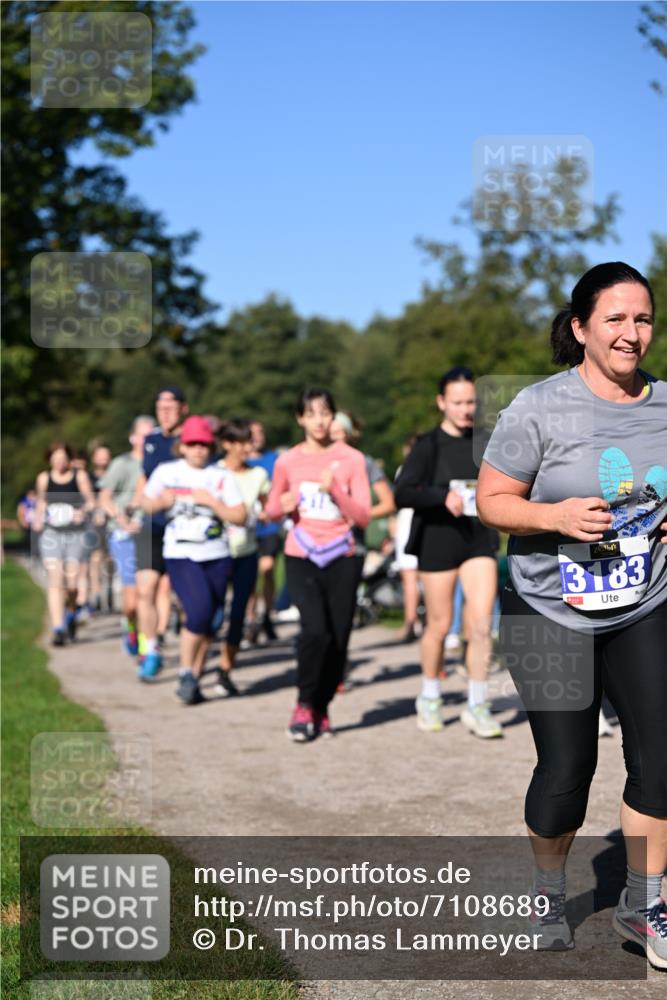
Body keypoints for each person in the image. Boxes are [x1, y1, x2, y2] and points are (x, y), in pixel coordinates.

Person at [477, 262, 667, 963]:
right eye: (614, 319)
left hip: (644, 600)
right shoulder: (536, 407)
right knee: (566, 772)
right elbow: (490, 501)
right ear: (581, 327)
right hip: (545, 606)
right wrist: (552, 514)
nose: (630, 332)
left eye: (642, 318)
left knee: (660, 757)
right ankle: (547, 888)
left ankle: (642, 905)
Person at [394, 367, 503, 738]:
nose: (465, 409)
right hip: (437, 541)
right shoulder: (428, 445)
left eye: (471, 401)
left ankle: (477, 704)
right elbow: (402, 492)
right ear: (442, 402)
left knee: (481, 622)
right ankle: (429, 695)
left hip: (477, 541)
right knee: (439, 626)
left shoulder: (487, 442)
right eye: (457, 402)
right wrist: (441, 497)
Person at [265, 388, 371, 741]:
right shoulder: (287, 461)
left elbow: (364, 516)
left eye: (325, 413)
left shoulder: (352, 459)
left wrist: (336, 492)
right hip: (302, 553)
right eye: (311, 414)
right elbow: (269, 510)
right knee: (314, 631)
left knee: (338, 638)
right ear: (300, 419)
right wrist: (285, 503)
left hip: (342, 555)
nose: (320, 421)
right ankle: (304, 704)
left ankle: (322, 706)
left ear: (333, 416)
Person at [142, 415, 246, 704]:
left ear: (210, 447)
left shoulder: (221, 476)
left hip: (218, 555)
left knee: (211, 622)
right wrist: (160, 503)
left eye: (203, 444)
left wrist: (213, 502)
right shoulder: (167, 472)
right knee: (198, 612)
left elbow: (240, 515)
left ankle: (194, 679)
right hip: (181, 553)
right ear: (182, 446)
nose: (198, 449)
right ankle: (186, 672)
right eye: (192, 444)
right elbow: (145, 501)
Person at [134, 385, 188, 679]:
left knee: (182, 595)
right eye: (160, 407)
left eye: (170, 406)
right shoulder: (151, 440)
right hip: (152, 526)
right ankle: (151, 651)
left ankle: (189, 657)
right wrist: (143, 505)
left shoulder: (193, 440)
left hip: (184, 528)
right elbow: (144, 480)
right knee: (146, 590)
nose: (165, 412)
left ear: (184, 408)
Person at [215, 419, 271, 694]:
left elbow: (268, 506)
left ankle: (225, 670)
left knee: (238, 613)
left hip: (246, 552)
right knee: (212, 615)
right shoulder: (212, 473)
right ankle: (198, 665)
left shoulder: (258, 475)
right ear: (227, 444)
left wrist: (266, 513)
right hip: (214, 553)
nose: (247, 447)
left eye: (249, 441)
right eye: (241, 442)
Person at [98, 416, 156, 656]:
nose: (146, 440)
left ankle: (148, 646)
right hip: (124, 534)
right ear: (133, 437)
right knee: (132, 600)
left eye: (151, 435)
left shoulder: (161, 464)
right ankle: (129, 624)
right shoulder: (122, 464)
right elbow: (104, 497)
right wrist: (122, 519)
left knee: (151, 592)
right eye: (143, 435)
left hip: (153, 533)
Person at [33, 443, 95, 645]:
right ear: (49, 459)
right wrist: (38, 517)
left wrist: (82, 512)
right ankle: (58, 628)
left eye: (62, 457)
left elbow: (91, 501)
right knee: (55, 580)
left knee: (72, 585)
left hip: (75, 534)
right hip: (51, 533)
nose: (59, 461)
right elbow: (42, 502)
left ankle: (71, 614)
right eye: (55, 457)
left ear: (69, 458)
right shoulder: (44, 478)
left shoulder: (79, 476)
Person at [246, 420, 282, 641]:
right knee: (249, 577)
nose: (257, 437)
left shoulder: (274, 460)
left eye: (261, 432)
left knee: (267, 570)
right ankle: (250, 618)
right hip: (246, 527)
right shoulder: (241, 461)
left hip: (269, 525)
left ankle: (267, 613)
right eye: (253, 433)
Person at [392, 434, 421, 643]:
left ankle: (410, 621)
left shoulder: (406, 471)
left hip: (409, 524)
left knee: (410, 579)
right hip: (414, 523)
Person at [86, 443, 113, 613]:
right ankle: (96, 592)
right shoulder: (88, 478)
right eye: (100, 455)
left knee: (110, 557)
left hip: (112, 520)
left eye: (106, 455)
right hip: (94, 521)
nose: (103, 458)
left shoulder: (114, 474)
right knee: (95, 557)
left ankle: (108, 587)